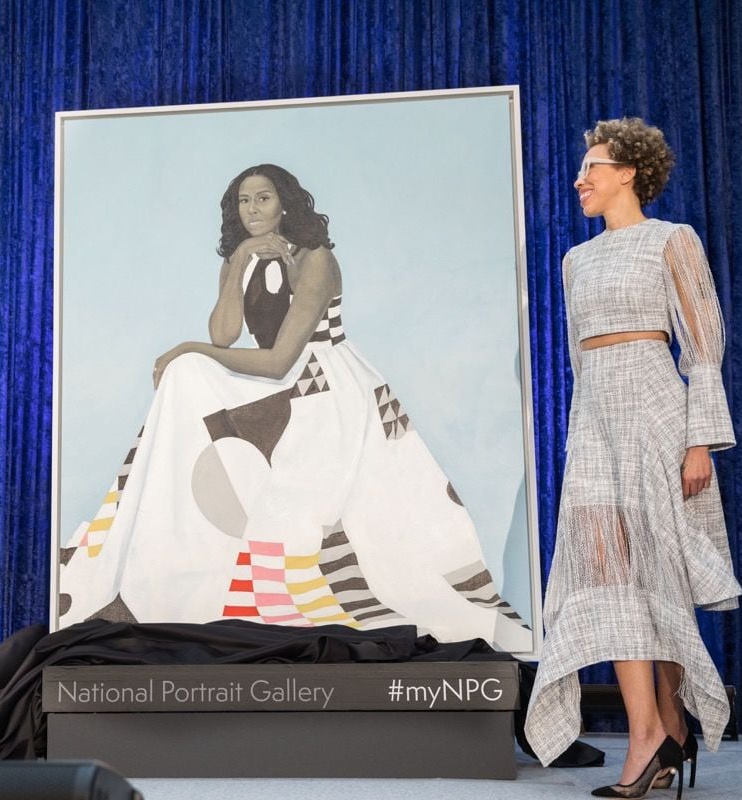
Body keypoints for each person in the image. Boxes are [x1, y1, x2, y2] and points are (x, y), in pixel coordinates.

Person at [56, 163, 532, 653]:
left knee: (190, 366)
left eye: (263, 198)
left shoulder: (315, 259)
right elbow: (224, 335)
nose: (253, 209)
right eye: (243, 201)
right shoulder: (238, 259)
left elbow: (281, 359)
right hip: (279, 382)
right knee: (186, 376)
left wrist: (187, 348)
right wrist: (238, 263)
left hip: (324, 386)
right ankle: (165, 549)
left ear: (285, 203)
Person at [524, 119, 742, 797]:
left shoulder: (671, 240)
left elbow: (702, 345)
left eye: (593, 167)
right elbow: (574, 357)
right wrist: (579, 434)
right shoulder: (575, 260)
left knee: (656, 575)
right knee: (607, 576)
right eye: (581, 167)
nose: (578, 179)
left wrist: (699, 437)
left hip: (655, 409)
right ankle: (649, 732)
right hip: (595, 421)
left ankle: (667, 729)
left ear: (628, 174)